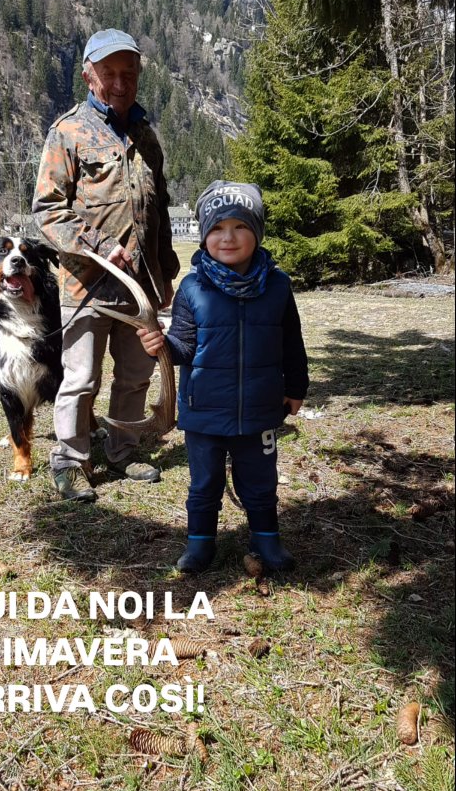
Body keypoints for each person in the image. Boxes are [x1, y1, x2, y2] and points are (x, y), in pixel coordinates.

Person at [32, 28, 180, 501]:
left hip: (142, 287)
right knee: (80, 379)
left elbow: (159, 210)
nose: (120, 82)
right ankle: (72, 463)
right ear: (88, 75)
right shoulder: (68, 132)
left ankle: (123, 451)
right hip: (87, 285)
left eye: (128, 73)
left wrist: (166, 272)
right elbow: (47, 210)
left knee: (135, 375)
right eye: (110, 73)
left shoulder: (146, 136)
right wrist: (97, 244)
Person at [137, 181, 309, 572]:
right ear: (203, 235)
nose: (227, 237)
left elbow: (291, 343)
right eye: (216, 228)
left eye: (240, 227)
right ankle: (200, 544)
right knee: (204, 484)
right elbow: (183, 347)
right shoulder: (193, 289)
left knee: (261, 483)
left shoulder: (278, 287)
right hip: (204, 412)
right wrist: (160, 345)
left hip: (260, 409)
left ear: (257, 231)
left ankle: (267, 540)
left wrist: (296, 388)